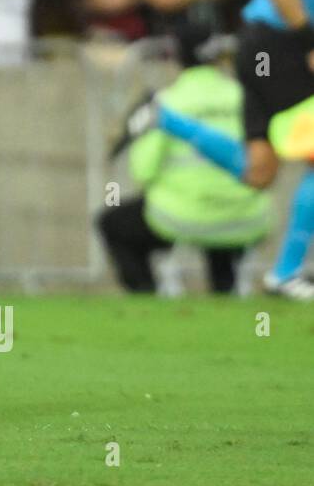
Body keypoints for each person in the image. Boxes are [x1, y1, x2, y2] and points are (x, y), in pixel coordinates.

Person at [148, 0, 314, 300]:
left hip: (259, 44)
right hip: (281, 47)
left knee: (260, 171)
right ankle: (287, 272)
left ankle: (163, 118)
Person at [100, 26, 271, 294]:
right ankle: (225, 295)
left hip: (181, 216)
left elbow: (143, 171)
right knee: (221, 243)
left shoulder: (166, 102)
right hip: (245, 216)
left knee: (113, 223)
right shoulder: (246, 96)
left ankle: (145, 300)